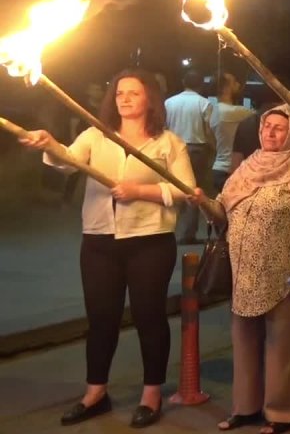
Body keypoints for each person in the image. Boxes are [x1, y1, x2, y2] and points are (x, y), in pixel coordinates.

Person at [24, 70, 195, 429]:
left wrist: (140, 192)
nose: (125, 98)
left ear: (149, 98)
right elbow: (69, 162)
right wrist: (49, 144)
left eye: (134, 93)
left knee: (149, 317)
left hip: (150, 240)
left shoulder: (168, 143)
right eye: (120, 92)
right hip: (100, 241)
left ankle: (151, 393)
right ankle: (95, 392)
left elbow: (185, 191)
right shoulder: (95, 136)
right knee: (101, 320)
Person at [202, 105, 290, 434]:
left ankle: (282, 413)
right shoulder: (246, 168)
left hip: (284, 273)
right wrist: (202, 202)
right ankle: (245, 407)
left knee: (283, 346)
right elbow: (222, 211)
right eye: (266, 126)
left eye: (278, 128)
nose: (269, 133)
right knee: (243, 344)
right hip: (243, 273)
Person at [167, 69, 215, 244]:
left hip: (171, 148)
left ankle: (167, 228)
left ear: (183, 82)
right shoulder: (204, 103)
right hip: (196, 150)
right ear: (201, 84)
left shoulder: (169, 102)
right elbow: (208, 129)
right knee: (193, 190)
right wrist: (213, 147)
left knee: (171, 189)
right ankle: (188, 233)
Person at [210, 71, 253, 194]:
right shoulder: (238, 112)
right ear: (225, 88)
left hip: (217, 167)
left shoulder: (213, 111)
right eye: (234, 82)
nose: (238, 85)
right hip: (232, 170)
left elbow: (211, 141)